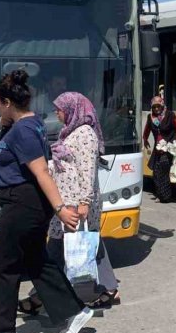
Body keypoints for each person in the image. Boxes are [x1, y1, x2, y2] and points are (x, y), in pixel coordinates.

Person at [0, 70, 93, 333]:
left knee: (2, 268)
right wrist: (4, 125)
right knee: (37, 263)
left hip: (23, 203)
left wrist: (60, 208)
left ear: (8, 102)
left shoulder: (24, 130)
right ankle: (74, 312)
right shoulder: (29, 124)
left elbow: (42, 171)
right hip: (24, 201)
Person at [18, 92, 121, 315]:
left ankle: (39, 297)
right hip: (67, 200)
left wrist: (84, 202)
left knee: (57, 248)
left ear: (73, 109)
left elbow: (86, 171)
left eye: (60, 108)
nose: (57, 112)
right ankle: (109, 288)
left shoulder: (84, 134)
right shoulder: (71, 132)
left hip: (76, 203)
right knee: (89, 244)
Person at [142, 96, 176, 203]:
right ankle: (160, 194)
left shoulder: (170, 115)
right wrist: (145, 139)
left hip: (169, 147)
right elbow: (147, 130)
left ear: (162, 105)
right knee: (156, 173)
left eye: (158, 106)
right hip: (158, 148)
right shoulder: (150, 117)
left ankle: (165, 196)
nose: (156, 109)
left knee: (163, 168)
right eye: (154, 107)